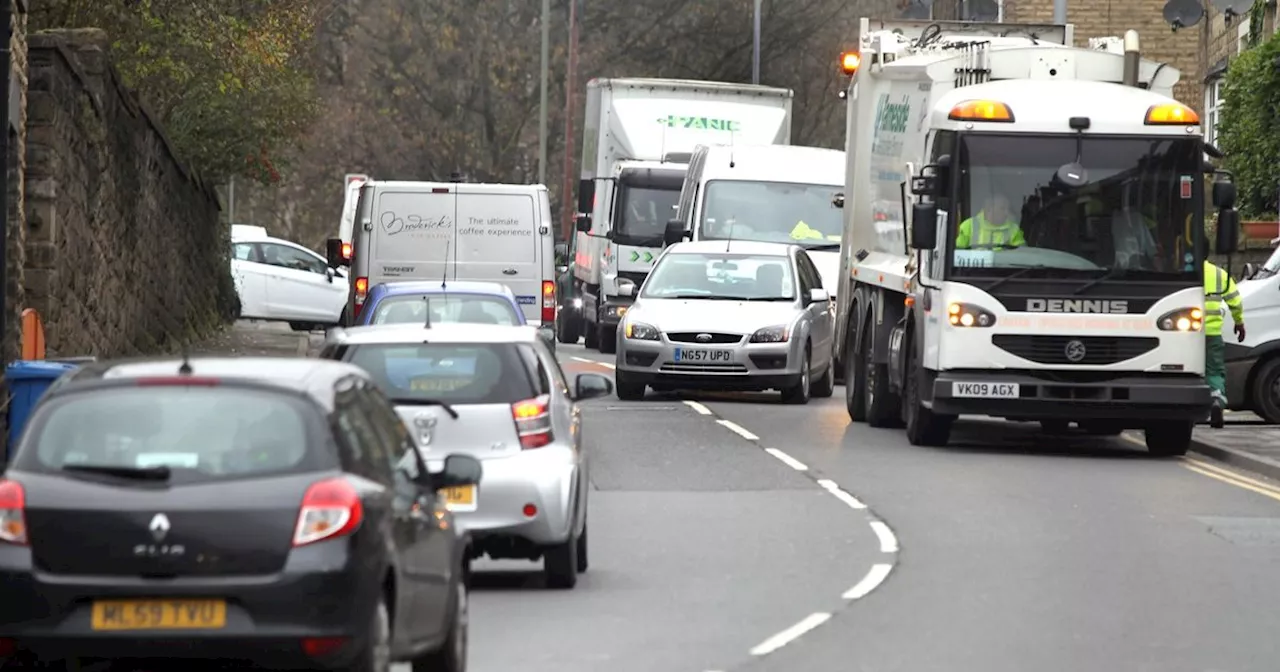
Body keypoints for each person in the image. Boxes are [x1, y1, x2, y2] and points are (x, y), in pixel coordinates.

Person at [1203, 259, 1246, 428]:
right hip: (1212, 333)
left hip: (1184, 333)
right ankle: (1217, 400)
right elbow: (1235, 302)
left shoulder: (1179, 272)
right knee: (1214, 371)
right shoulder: (1219, 274)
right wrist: (1239, 322)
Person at [956, 193, 1025, 249]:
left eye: (1008, 209)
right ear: (988, 209)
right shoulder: (968, 226)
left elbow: (1022, 255)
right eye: (1002, 208)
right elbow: (958, 251)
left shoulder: (1014, 230)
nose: (1007, 212)